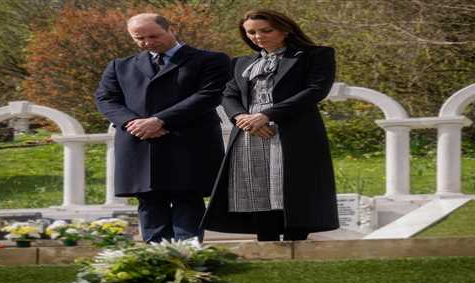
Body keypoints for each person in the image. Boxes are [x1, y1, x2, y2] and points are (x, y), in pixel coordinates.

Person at [200, 9, 339, 241]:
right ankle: (266, 242)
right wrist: (241, 118)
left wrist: (268, 115)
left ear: (285, 29)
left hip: (294, 130)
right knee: (257, 189)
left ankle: (296, 242)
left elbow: (315, 90)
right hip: (249, 133)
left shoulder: (315, 55)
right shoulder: (241, 63)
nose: (258, 36)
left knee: (293, 187)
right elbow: (228, 95)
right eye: (251, 32)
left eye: (266, 31)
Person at [95, 13, 230, 243]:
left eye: (153, 36)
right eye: (140, 38)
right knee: (149, 202)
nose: (148, 43)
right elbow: (106, 99)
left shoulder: (211, 60)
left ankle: (188, 258)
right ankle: (155, 258)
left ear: (171, 29)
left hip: (189, 142)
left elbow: (209, 95)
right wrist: (132, 123)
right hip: (140, 142)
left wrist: (159, 121)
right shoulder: (120, 66)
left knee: (187, 199)